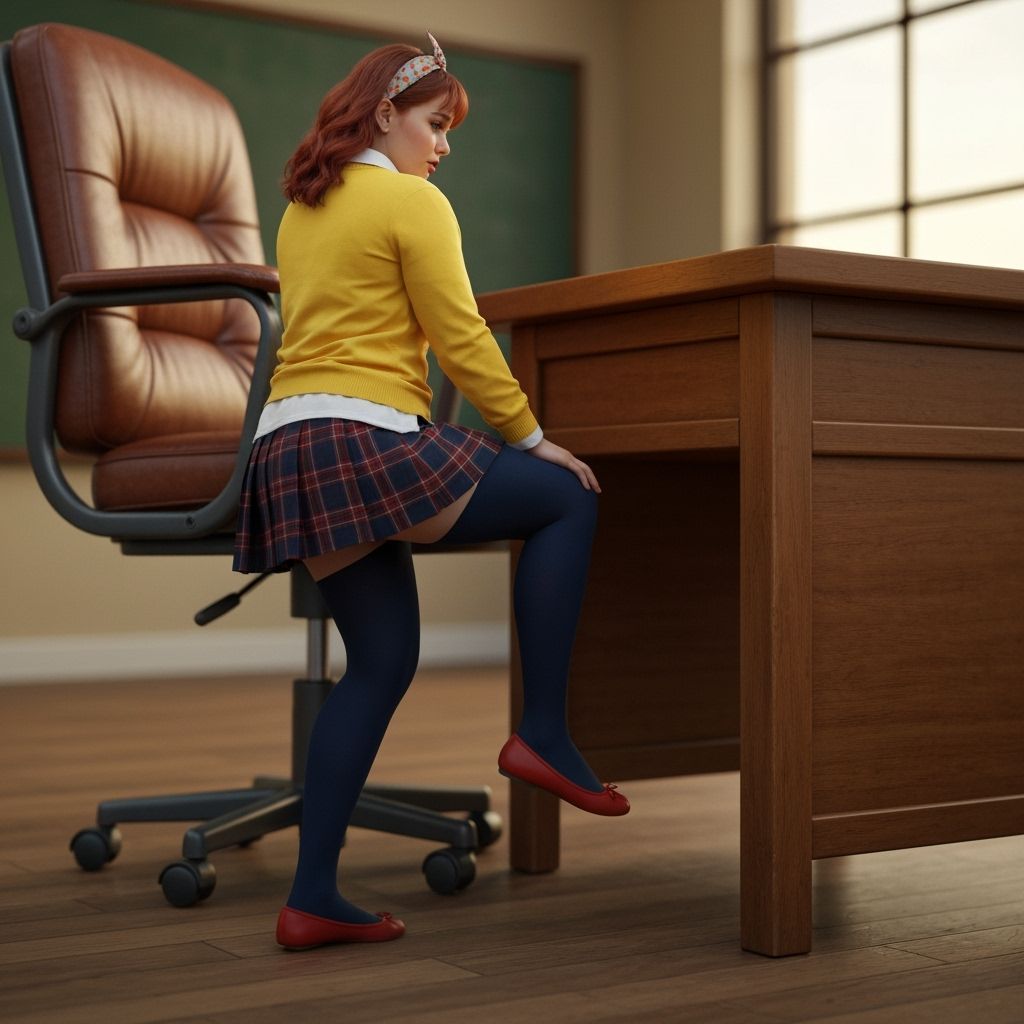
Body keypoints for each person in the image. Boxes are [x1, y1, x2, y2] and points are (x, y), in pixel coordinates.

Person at [233, 33, 629, 953]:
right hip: (363, 437)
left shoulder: (305, 206)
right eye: (434, 122)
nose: (444, 144)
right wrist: (533, 439)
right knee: (565, 498)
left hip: (288, 449)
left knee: (377, 664)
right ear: (385, 115)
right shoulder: (414, 202)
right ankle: (540, 732)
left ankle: (313, 898)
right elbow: (461, 337)